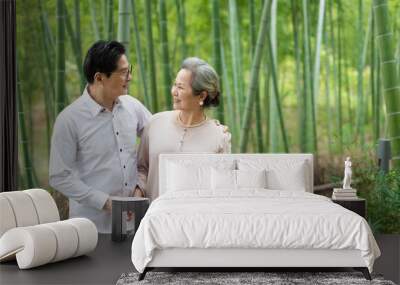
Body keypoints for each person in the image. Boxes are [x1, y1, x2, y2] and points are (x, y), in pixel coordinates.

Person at [49, 41, 151, 233]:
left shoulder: (132, 106)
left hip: (135, 225)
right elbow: (59, 176)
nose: (129, 77)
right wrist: (106, 202)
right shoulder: (69, 120)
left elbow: (158, 135)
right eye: (123, 72)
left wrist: (141, 186)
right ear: (99, 77)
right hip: (91, 229)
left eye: (129, 70)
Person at [136, 57, 231, 201]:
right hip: (152, 217)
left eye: (180, 87)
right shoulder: (155, 123)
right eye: (175, 85)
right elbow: (141, 168)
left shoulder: (219, 137)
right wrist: (138, 192)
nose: (174, 91)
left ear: (202, 95)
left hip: (194, 219)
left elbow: (222, 187)